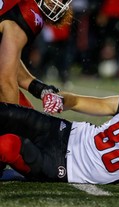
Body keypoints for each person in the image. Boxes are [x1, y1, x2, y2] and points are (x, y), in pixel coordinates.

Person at [0, 0, 72, 178]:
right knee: (23, 136)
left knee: (28, 119)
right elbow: (5, 80)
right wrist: (15, 127)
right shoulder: (28, 11)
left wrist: (40, 89)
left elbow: (8, 60)